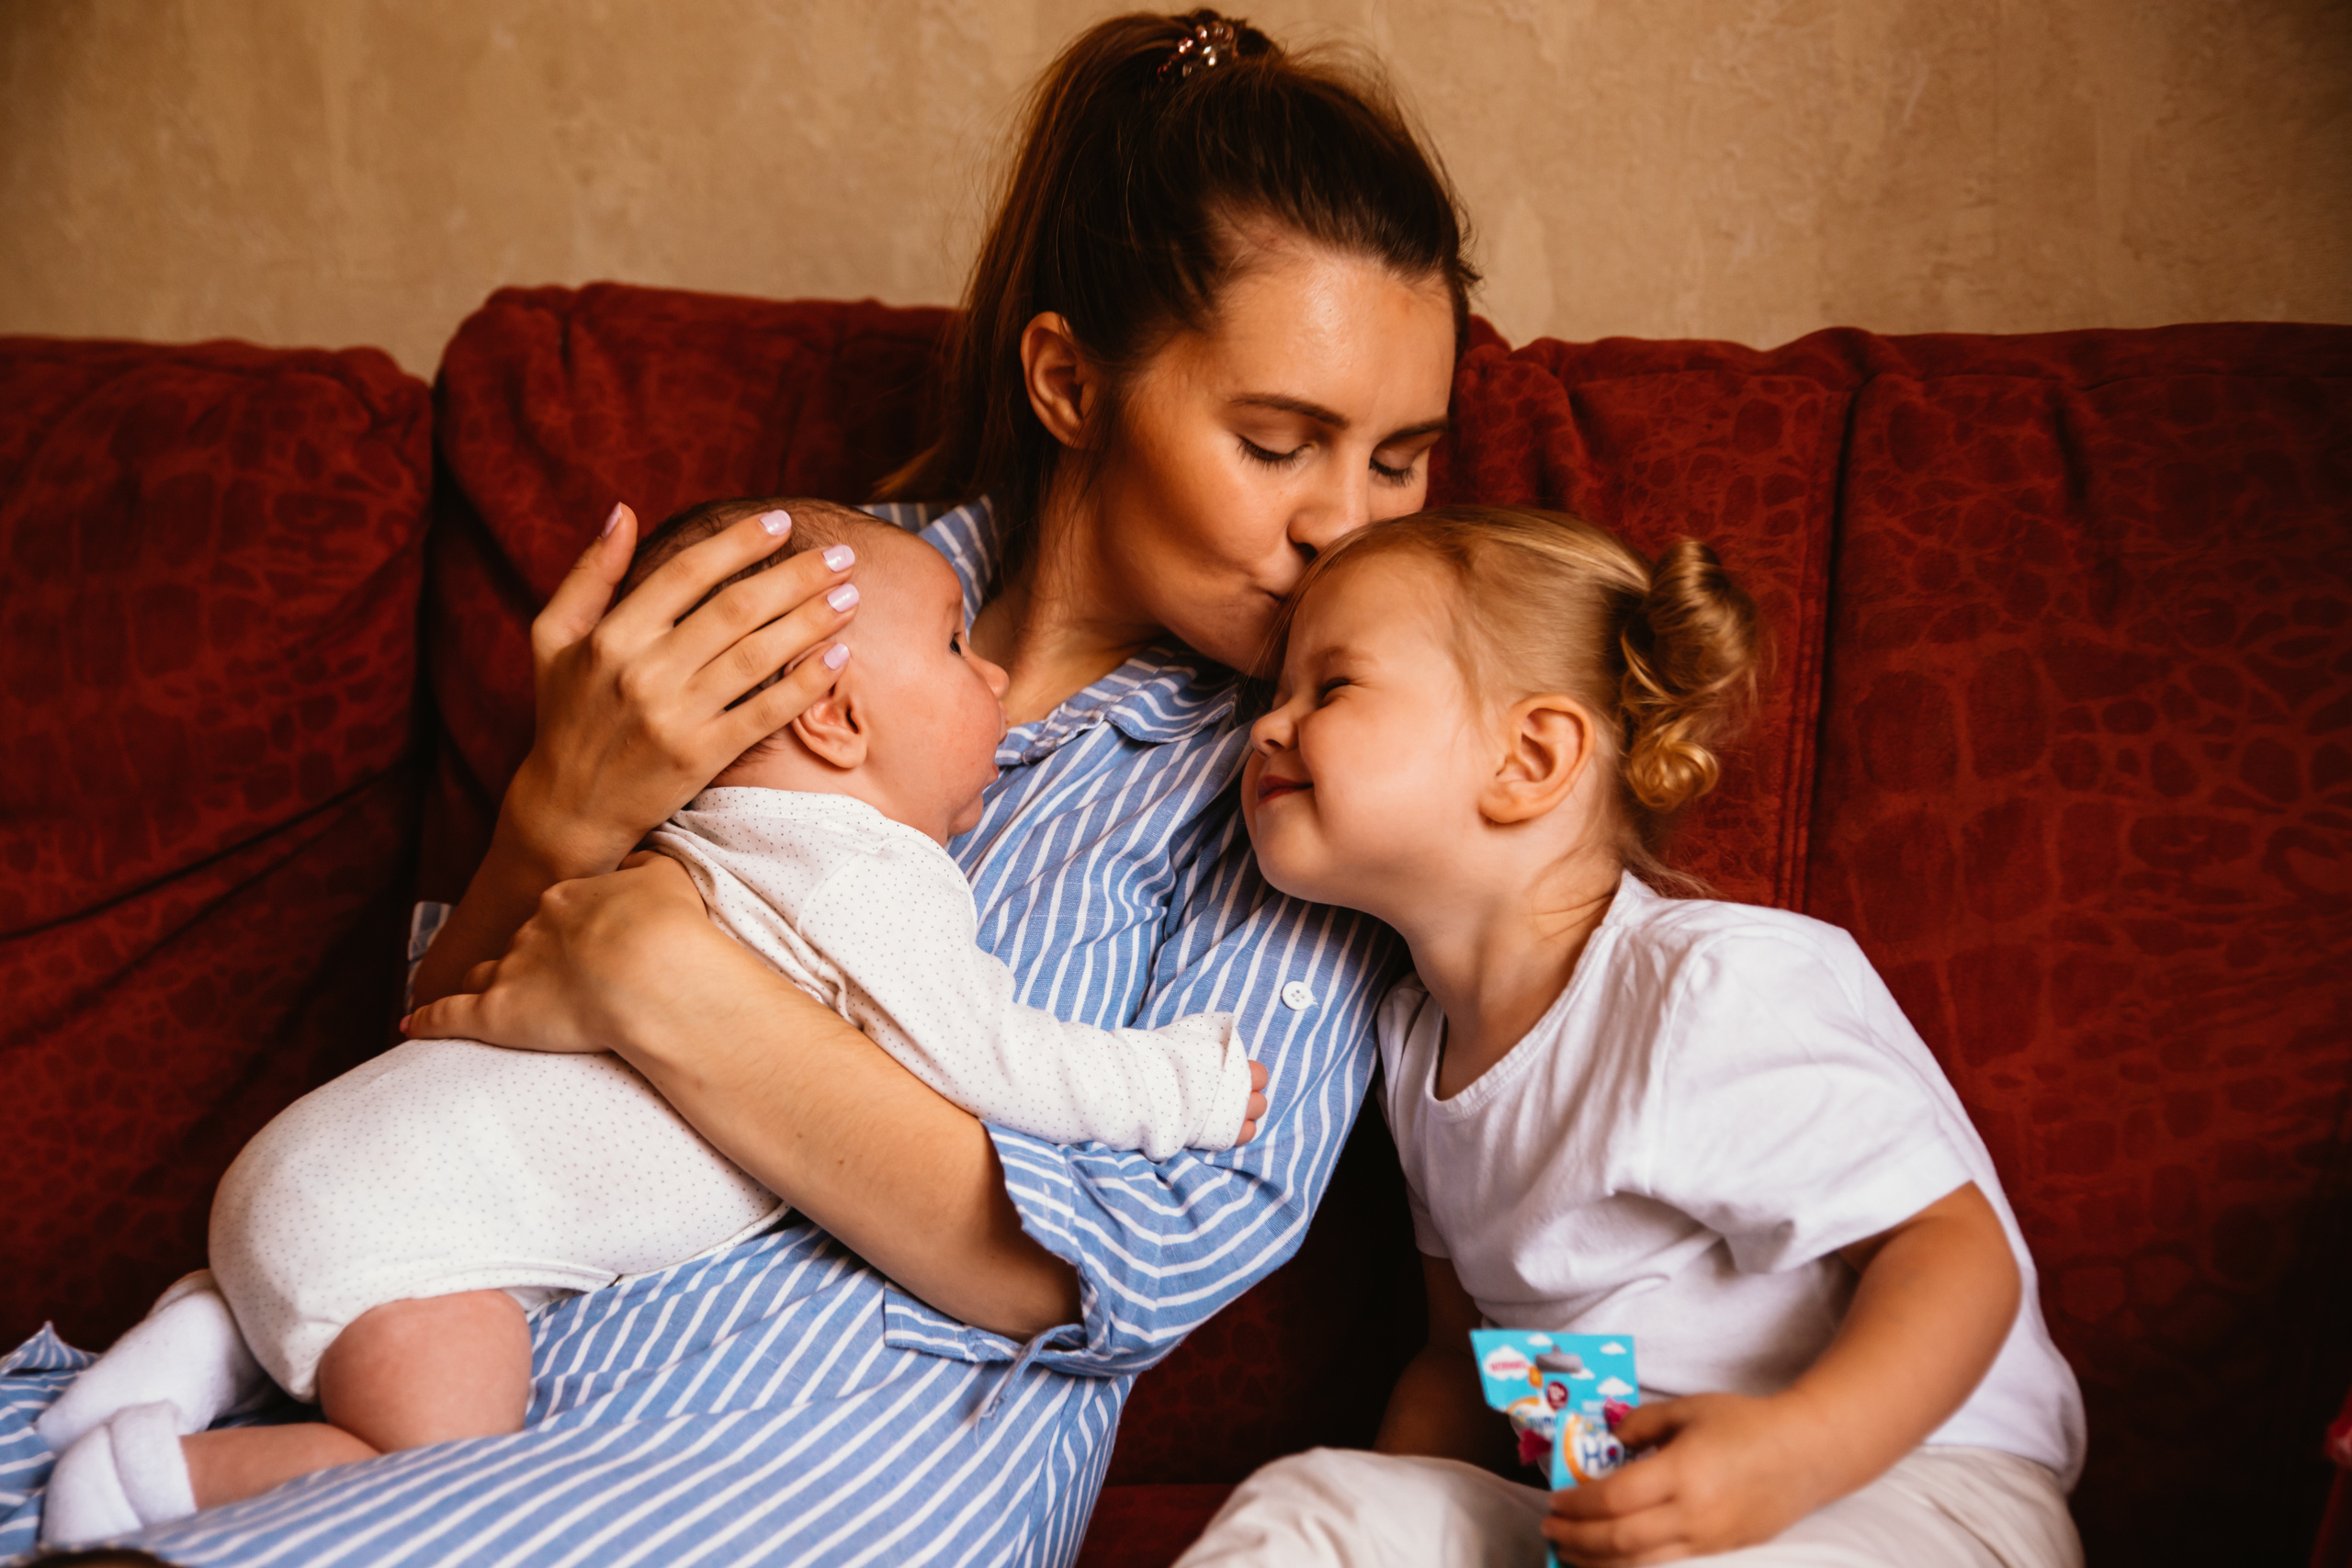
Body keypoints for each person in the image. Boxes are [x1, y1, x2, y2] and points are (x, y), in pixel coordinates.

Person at [5, 10, 1474, 1564]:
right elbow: (442, 1072)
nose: (1347, 525)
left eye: (1399, 460)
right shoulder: (786, 599)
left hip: (834, 1451)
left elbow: (1126, 1261)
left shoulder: (1321, 767)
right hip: (463, 1361)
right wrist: (552, 818)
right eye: (1276, 442)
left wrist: (668, 983)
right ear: (1068, 381)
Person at [34, 499, 1269, 1549]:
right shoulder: (864, 872)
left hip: (315, 1170)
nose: (989, 677)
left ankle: (194, 1340)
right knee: (434, 1454)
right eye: (958, 648)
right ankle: (151, 1480)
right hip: (413, 1250)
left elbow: (456, 1019)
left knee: (340, 1269)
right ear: (833, 720)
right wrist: (1184, 1086)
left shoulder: (703, 834)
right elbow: (988, 1052)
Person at [1174, 506, 2086, 1567]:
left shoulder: (1706, 984)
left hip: (1914, 1488)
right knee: (1316, 1505)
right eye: (1275, 694)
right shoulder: (1414, 1045)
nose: (1265, 727)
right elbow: (1460, 1361)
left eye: (1328, 688)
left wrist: (1792, 1453)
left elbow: (1958, 1255)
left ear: (1529, 756)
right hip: (1618, 1514)